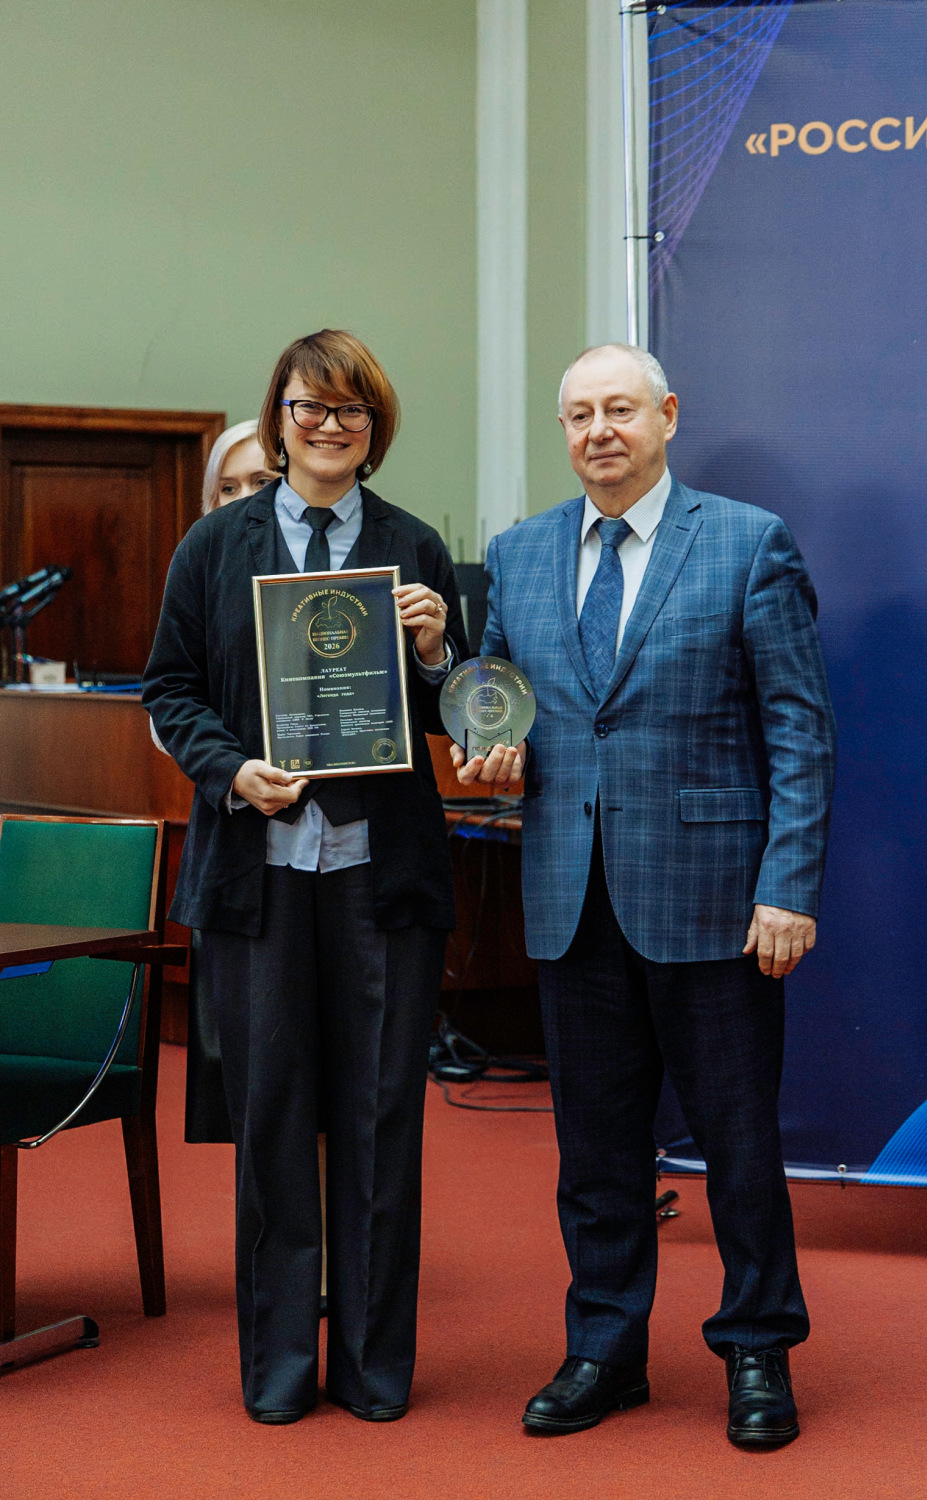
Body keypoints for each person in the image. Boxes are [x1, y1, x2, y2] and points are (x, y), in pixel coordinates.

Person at [453, 344, 836, 1448]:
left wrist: (787, 885)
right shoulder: (519, 553)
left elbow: (798, 730)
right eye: (579, 415)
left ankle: (757, 1347)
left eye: (619, 409)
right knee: (594, 1152)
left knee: (738, 1147)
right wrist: (488, 752)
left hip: (714, 901)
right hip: (569, 896)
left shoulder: (747, 541)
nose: (599, 432)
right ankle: (605, 1350)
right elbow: (497, 703)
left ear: (666, 415)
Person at [143, 329, 468, 1425]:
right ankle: (279, 1366)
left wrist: (437, 653)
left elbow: (455, 713)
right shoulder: (214, 545)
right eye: (308, 407)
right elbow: (170, 689)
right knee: (274, 1120)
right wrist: (231, 770)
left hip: (383, 880)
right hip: (261, 877)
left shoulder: (413, 546)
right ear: (277, 418)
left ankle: (373, 1368)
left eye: (351, 411)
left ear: (376, 429)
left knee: (381, 1119)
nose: (329, 426)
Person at [184, 421, 279, 1144]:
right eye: (229, 486)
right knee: (256, 1090)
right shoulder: (198, 565)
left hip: (339, 856)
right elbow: (169, 701)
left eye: (262, 482)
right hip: (235, 848)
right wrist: (232, 767)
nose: (244, 497)